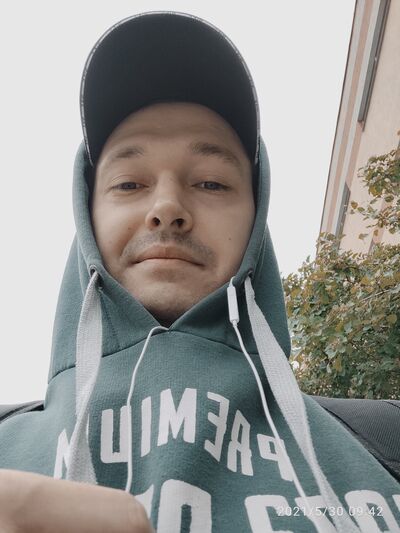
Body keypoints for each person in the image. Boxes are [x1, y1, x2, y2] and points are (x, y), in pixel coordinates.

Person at [0, 11, 399, 533]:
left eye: (211, 182)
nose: (166, 208)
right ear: (86, 214)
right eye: (128, 183)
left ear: (256, 219)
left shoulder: (387, 443)